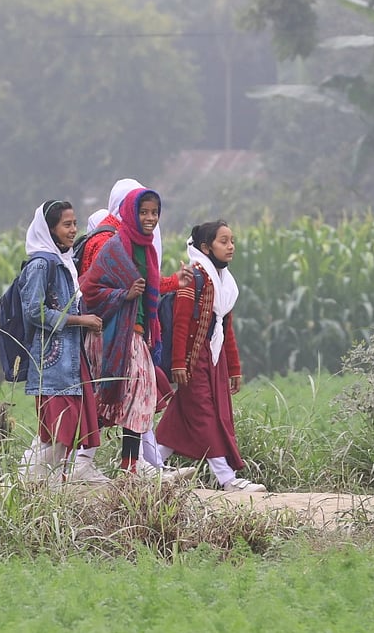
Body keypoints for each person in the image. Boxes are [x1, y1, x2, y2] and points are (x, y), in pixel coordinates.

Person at [74, 178, 188, 478]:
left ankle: (130, 466)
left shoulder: (144, 248)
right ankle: (80, 460)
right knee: (125, 394)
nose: (150, 218)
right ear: (129, 211)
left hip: (135, 332)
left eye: (154, 212)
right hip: (111, 334)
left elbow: (148, 286)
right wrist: (123, 295)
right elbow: (89, 289)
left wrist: (175, 281)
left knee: (138, 396)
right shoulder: (113, 245)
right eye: (143, 212)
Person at [155, 220, 265, 492]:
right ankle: (227, 479)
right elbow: (181, 323)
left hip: (214, 358)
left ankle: (152, 464)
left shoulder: (225, 283)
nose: (231, 247)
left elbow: (225, 328)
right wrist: (179, 363)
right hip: (194, 359)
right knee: (206, 414)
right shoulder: (195, 277)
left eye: (232, 241)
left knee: (182, 415)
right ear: (205, 247)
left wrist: (234, 368)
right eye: (223, 241)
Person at [14, 200, 109, 484]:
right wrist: (81, 320)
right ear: (50, 229)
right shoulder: (42, 264)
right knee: (60, 427)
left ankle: (44, 481)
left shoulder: (62, 262)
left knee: (69, 425)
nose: (73, 230)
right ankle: (31, 479)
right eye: (66, 225)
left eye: (74, 224)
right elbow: (35, 311)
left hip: (70, 360)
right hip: (53, 362)